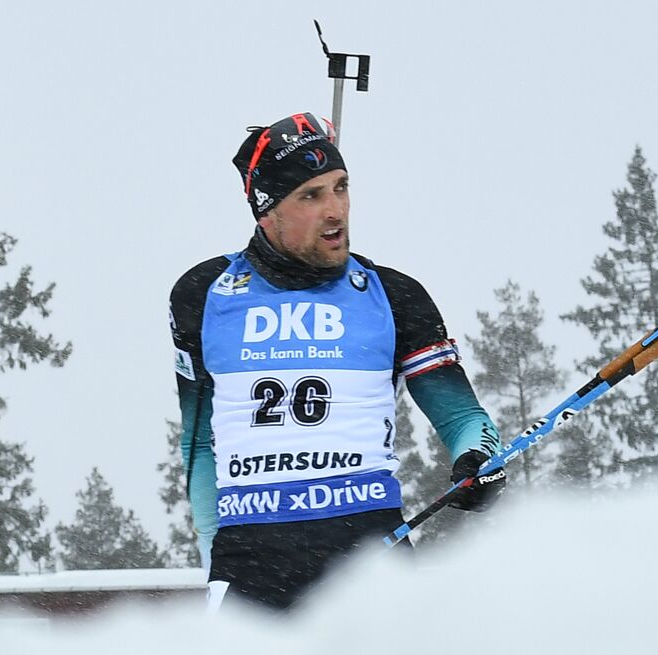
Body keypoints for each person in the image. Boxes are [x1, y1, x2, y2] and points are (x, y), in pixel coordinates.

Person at [170, 111, 505, 611]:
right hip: (250, 563)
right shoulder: (202, 294)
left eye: (341, 188)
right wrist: (214, 566)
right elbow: (199, 443)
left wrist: (479, 462)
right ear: (267, 211)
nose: (336, 211)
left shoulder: (394, 295)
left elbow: (463, 418)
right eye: (311, 195)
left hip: (370, 557)